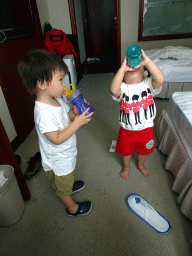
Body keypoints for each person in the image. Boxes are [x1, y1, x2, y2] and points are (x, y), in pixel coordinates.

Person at [18, 49, 94, 216]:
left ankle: (68, 185)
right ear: (42, 84)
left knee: (67, 177)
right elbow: (56, 138)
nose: (64, 84)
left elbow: (65, 117)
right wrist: (79, 123)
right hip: (58, 160)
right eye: (60, 80)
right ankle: (72, 207)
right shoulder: (43, 113)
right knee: (62, 186)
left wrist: (75, 113)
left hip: (66, 154)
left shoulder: (56, 99)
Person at [110, 49, 164, 180]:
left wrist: (148, 62)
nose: (132, 67)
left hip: (145, 130)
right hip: (127, 131)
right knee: (126, 152)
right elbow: (113, 90)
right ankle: (126, 167)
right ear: (122, 76)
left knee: (143, 151)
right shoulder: (122, 88)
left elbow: (160, 79)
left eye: (137, 66)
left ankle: (140, 165)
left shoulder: (148, 85)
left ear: (145, 72)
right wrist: (122, 69)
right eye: (127, 68)